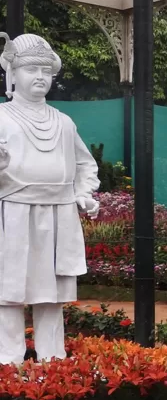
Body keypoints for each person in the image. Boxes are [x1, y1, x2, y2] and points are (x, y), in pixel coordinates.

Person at [0, 33, 100, 365]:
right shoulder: (3, 118)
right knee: (9, 292)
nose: (40, 77)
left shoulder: (64, 122)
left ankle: (53, 363)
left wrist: (83, 194)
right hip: (12, 213)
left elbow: (86, 164)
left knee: (51, 294)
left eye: (46, 70)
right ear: (13, 73)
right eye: (31, 70)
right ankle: (8, 362)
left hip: (58, 216)